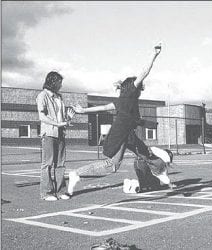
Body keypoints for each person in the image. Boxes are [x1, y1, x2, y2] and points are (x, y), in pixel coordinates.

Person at [67, 43, 163, 195]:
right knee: (112, 165)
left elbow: (103, 108)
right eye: (139, 86)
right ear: (133, 87)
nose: (141, 89)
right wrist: (154, 55)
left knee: (145, 154)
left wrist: (83, 110)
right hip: (120, 135)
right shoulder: (130, 93)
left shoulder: (121, 100)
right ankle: (77, 174)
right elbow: (144, 72)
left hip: (127, 134)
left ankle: (150, 182)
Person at [36, 71, 75, 201]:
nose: (61, 86)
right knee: (47, 164)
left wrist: (67, 118)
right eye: (59, 83)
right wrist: (57, 124)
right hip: (49, 133)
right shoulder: (42, 96)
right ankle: (47, 193)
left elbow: (61, 117)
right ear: (52, 82)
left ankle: (61, 191)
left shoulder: (59, 97)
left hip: (60, 134)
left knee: (60, 164)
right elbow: (42, 116)